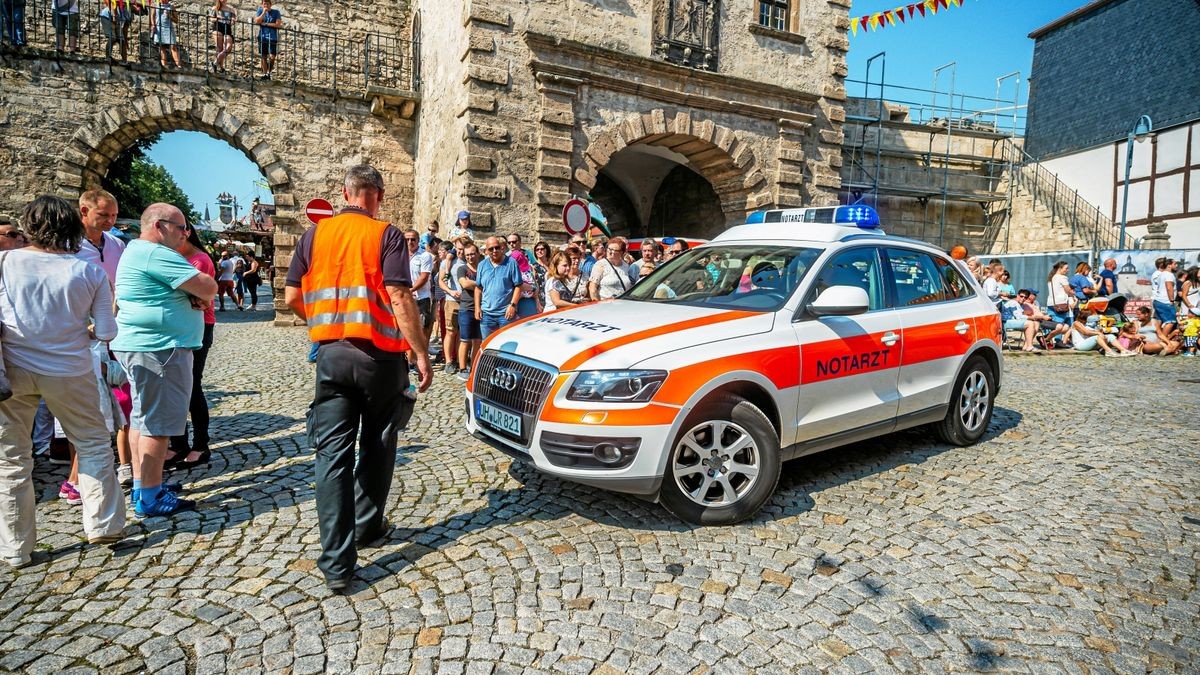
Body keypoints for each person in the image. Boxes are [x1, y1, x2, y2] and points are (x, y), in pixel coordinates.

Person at [282, 164, 432, 593]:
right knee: (378, 442)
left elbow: (293, 295)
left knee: (331, 455)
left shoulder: (314, 235)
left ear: (344, 192)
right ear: (377, 195)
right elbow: (400, 294)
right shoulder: (384, 234)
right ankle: (367, 527)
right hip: (378, 356)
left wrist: (326, 324)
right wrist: (420, 352)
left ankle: (335, 564)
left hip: (331, 355)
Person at [0, 195, 127, 568]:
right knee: (91, 443)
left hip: (13, 369)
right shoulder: (88, 273)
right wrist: (78, 331)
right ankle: (102, 523)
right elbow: (106, 330)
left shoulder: (4, 262)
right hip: (70, 370)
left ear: (30, 226)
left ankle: (14, 548)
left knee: (11, 460)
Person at [113, 203, 217, 517]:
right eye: (181, 227)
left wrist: (191, 295)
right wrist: (196, 294)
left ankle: (145, 485)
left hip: (148, 346)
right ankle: (150, 496)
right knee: (158, 424)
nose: (185, 233)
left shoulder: (136, 251)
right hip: (160, 349)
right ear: (160, 226)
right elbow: (208, 286)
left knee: (143, 419)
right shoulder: (156, 253)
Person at [167, 226, 216, 469]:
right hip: (178, 328)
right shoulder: (174, 258)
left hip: (199, 327)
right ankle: (178, 443)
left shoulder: (200, 259)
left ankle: (200, 445)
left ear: (185, 233)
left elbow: (194, 297)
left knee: (192, 386)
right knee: (177, 388)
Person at [475, 236, 522, 339]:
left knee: (507, 344)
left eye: (497, 247)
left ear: (501, 248)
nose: (494, 251)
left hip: (506, 314)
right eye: (491, 249)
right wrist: (477, 307)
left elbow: (518, 286)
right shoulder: (482, 265)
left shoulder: (511, 263)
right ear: (486, 251)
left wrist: (513, 305)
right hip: (486, 314)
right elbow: (478, 288)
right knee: (487, 345)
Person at [76, 189, 125, 282]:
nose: (111, 220)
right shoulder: (66, 246)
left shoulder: (119, 245)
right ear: (84, 211)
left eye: (114, 215)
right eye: (103, 214)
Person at [403, 228, 434, 347]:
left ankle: (420, 356)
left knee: (421, 328)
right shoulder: (400, 255)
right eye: (407, 239)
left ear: (418, 240)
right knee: (406, 327)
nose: (410, 242)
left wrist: (411, 290)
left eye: (413, 239)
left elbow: (424, 276)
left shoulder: (425, 256)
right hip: (405, 297)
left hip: (421, 297)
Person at [455, 243, 482, 380]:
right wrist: (482, 284)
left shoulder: (483, 267)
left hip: (481, 308)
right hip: (466, 308)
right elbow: (464, 284)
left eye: (472, 254)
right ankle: (462, 368)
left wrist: (474, 283)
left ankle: (474, 367)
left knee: (477, 340)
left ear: (477, 253)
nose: (470, 257)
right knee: (465, 340)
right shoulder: (462, 269)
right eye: (467, 255)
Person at [437, 241, 462, 375]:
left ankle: (460, 360)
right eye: (458, 249)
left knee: (462, 334)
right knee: (451, 332)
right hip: (452, 300)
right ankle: (448, 361)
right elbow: (441, 281)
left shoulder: (469, 260)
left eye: (462, 249)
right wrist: (451, 291)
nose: (461, 252)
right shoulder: (447, 262)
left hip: (467, 301)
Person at [589, 236, 633, 301]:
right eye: (609, 249)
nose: (610, 252)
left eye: (614, 250)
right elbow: (592, 288)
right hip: (606, 306)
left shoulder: (626, 266)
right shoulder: (600, 265)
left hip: (623, 305)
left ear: (621, 252)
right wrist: (597, 304)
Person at [254, 0, 282, 79]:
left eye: (267, 4)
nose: (266, 5)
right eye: (264, 4)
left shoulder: (276, 12)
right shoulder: (260, 10)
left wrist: (266, 24)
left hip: (272, 37)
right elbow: (257, 21)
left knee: (272, 57)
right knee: (263, 56)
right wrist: (263, 13)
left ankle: (269, 72)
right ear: (262, 4)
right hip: (262, 36)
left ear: (270, 4)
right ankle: (265, 74)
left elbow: (278, 24)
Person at [1151, 257, 1179, 336]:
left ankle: (1155, 339)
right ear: (1169, 265)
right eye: (1175, 264)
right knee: (1171, 321)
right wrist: (1172, 300)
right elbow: (1169, 287)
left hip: (1158, 301)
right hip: (1165, 301)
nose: (1176, 265)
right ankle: (1162, 342)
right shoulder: (1169, 274)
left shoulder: (1162, 274)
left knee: (1159, 321)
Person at [509, 250, 540, 317]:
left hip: (522, 301)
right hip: (528, 298)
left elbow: (521, 285)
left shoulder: (513, 270)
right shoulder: (529, 268)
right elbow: (535, 285)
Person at [151, 0, 180, 68]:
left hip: (168, 28)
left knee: (173, 46)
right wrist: (153, 25)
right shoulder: (155, 5)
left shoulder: (171, 7)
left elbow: (176, 20)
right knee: (162, 46)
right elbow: (152, 16)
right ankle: (164, 64)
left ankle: (178, 65)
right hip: (159, 28)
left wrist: (170, 16)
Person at [210, 0, 235, 73]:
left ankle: (214, 63)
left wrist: (233, 20)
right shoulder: (215, 8)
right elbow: (211, 19)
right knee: (219, 48)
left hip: (227, 29)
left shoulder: (231, 9)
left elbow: (233, 20)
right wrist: (218, 18)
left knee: (228, 47)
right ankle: (221, 67)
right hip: (218, 27)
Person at [1046, 260, 1073, 325]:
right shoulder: (1062, 277)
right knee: (1059, 326)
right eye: (1066, 268)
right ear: (1060, 268)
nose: (1067, 270)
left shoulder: (1051, 278)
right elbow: (1068, 290)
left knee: (1054, 326)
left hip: (1050, 303)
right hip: (1060, 305)